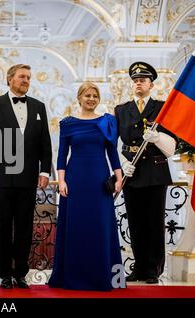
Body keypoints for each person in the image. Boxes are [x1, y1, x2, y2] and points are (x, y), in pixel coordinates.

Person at [0, 64, 52, 289]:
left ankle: (20, 272)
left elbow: (45, 142)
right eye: (21, 76)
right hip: (1, 176)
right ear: (9, 79)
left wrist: (44, 170)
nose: (26, 80)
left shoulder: (39, 106)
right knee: (2, 225)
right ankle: (4, 273)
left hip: (29, 176)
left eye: (28, 77)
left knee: (24, 226)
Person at [48, 82, 123, 291]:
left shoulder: (107, 121)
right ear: (79, 98)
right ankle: (73, 276)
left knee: (100, 226)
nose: (91, 99)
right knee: (76, 226)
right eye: (87, 95)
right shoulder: (68, 123)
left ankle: (106, 278)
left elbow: (113, 153)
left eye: (95, 95)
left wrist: (119, 178)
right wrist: (62, 181)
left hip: (99, 179)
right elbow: (62, 155)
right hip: (75, 180)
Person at [115, 62, 176, 284]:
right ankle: (139, 267)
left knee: (154, 221)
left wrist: (158, 138)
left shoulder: (162, 108)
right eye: (135, 80)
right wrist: (123, 164)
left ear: (151, 84)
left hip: (155, 170)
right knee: (135, 222)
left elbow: (172, 145)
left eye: (142, 80)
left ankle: (153, 269)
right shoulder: (121, 110)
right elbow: (117, 143)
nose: (138, 83)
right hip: (132, 171)